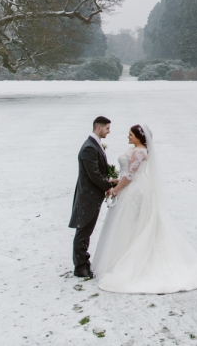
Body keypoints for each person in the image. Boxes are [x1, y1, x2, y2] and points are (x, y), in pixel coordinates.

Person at [93, 124, 197, 294]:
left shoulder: (139, 152)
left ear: (138, 137)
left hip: (135, 190)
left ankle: (128, 260)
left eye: (130, 135)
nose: (128, 137)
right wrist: (117, 180)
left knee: (131, 224)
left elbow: (130, 175)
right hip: (135, 187)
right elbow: (127, 173)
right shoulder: (139, 150)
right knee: (133, 224)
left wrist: (116, 190)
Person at [69, 115, 115, 278]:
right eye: (107, 128)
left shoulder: (93, 145)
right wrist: (108, 186)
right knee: (83, 232)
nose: (109, 131)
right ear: (99, 128)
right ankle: (80, 267)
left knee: (85, 232)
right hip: (87, 197)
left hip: (90, 196)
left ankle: (83, 263)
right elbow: (94, 174)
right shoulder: (89, 147)